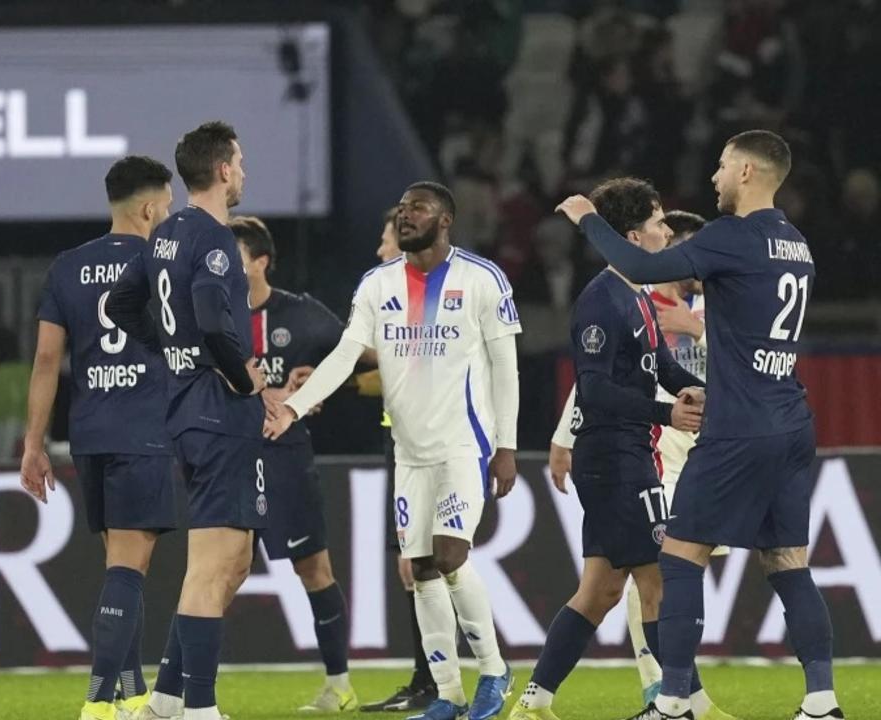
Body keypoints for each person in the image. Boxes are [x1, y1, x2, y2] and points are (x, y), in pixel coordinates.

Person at [556, 130, 841, 720]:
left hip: (738, 429)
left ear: (744, 172)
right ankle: (821, 700)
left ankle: (674, 701)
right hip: (792, 421)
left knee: (680, 556)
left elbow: (638, 263)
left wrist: (587, 217)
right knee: (789, 563)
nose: (712, 177)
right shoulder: (797, 244)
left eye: (719, 165)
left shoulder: (732, 237)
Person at [266, 182, 519, 720]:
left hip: (462, 445)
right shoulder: (377, 284)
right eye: (402, 209)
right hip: (409, 452)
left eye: (418, 209)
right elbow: (344, 356)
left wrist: (507, 446)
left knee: (451, 557)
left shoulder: (481, 279)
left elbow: (507, 368)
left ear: (445, 220)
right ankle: (448, 693)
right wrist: (294, 405)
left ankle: (494, 671)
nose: (407, 217)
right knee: (422, 568)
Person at [510, 179, 716, 720]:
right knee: (660, 581)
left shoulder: (636, 295)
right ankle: (684, 704)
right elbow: (594, 388)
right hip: (616, 460)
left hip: (619, 458)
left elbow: (660, 367)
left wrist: (689, 390)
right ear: (631, 235)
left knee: (599, 592)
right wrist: (665, 413)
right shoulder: (602, 300)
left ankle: (535, 702)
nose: (667, 231)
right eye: (657, 223)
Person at [107, 121, 267, 720]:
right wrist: (238, 372)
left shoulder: (166, 233)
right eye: (241, 161)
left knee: (236, 562)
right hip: (219, 410)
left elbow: (123, 304)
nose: (244, 172)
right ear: (223, 170)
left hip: (189, 409)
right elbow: (208, 313)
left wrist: (172, 351)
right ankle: (200, 708)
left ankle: (169, 699)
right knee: (214, 564)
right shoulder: (217, 239)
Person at [20, 155, 177, 720]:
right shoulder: (162, 263)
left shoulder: (67, 266)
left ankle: (132, 693)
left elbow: (45, 359)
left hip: (89, 434)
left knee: (118, 566)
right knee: (129, 569)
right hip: (145, 431)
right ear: (150, 208)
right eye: (168, 206)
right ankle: (96, 705)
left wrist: (33, 443)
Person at [231, 214, 359, 712]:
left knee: (313, 567)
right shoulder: (213, 314)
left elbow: (362, 355)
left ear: (261, 262)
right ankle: (186, 688)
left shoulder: (300, 314)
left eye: (235, 257)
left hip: (286, 455)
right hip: (230, 455)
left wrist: (321, 382)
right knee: (221, 569)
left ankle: (340, 686)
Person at [359, 205, 438, 714]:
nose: (382, 249)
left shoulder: (423, 299)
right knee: (414, 566)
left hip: (424, 446)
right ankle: (426, 677)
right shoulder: (393, 294)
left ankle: (436, 679)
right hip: (400, 442)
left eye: (386, 240)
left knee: (422, 564)